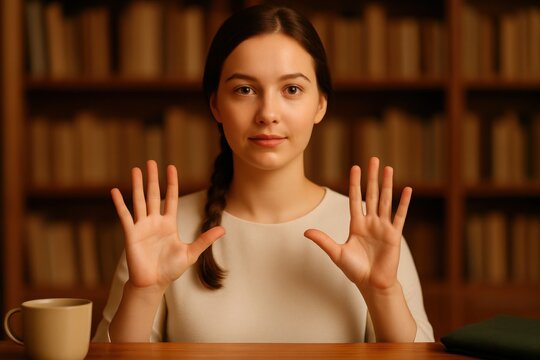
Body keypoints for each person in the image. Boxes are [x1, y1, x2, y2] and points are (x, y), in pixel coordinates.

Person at [93, 4, 434, 343]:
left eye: (292, 90)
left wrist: (383, 292)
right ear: (216, 105)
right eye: (245, 90)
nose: (268, 113)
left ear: (321, 104)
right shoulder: (163, 231)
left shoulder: (370, 233)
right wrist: (143, 291)